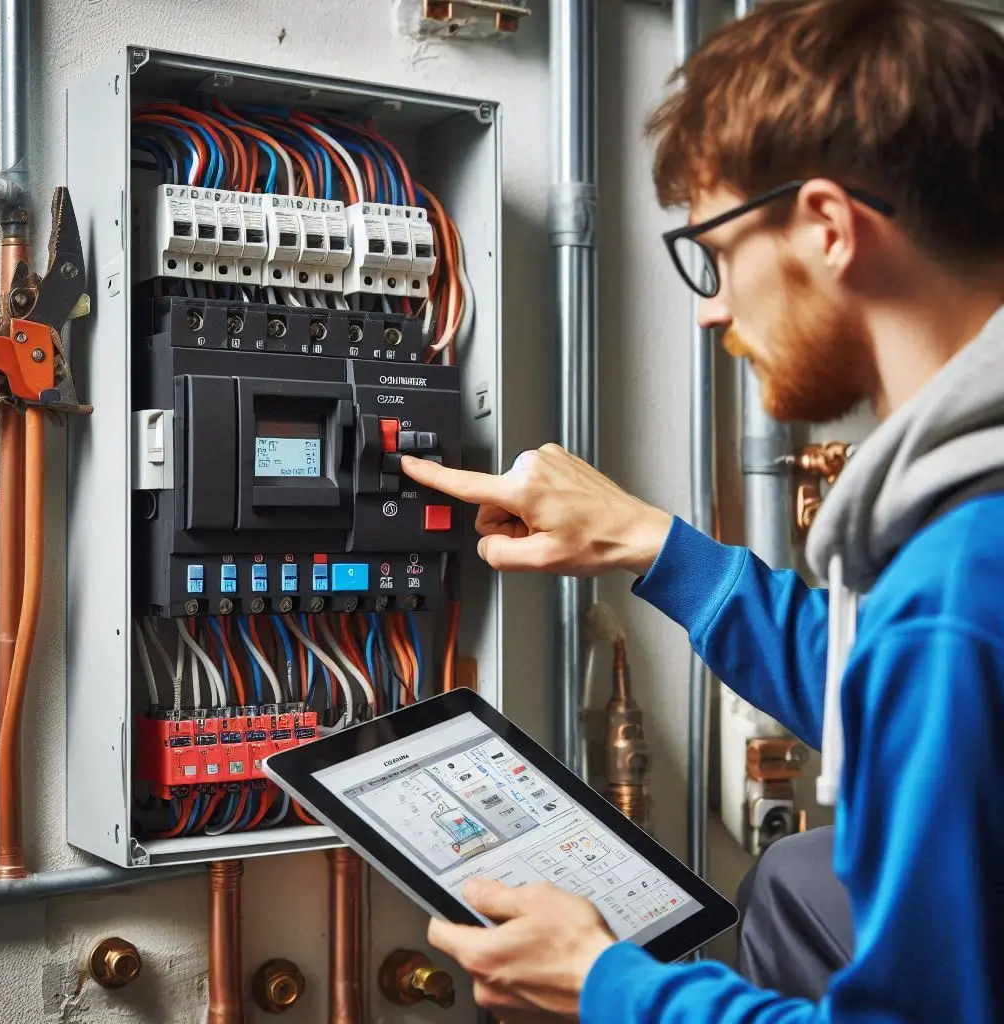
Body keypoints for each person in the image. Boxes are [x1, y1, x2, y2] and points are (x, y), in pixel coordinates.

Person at [397, 0, 1004, 1020]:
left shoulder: (958, 580)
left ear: (828, 227)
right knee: (801, 881)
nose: (711, 307)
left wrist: (611, 986)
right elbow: (900, 697)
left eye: (715, 253)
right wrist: (652, 545)